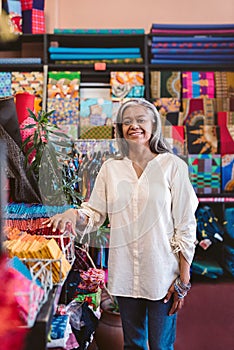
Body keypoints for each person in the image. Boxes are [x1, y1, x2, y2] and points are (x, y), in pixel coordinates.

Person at [44, 98, 198, 350]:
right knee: (132, 344)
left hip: (163, 272)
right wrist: (75, 214)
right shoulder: (110, 168)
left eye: (140, 120)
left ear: (154, 125)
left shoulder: (172, 166)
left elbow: (185, 222)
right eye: (127, 122)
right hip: (125, 271)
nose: (133, 126)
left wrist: (183, 277)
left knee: (161, 345)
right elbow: (95, 213)